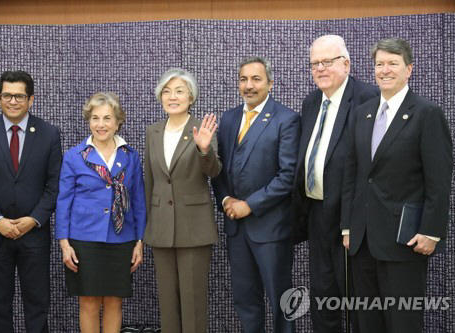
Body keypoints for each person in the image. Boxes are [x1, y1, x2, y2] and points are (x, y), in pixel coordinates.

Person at [341, 38, 452, 333]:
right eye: (379, 64)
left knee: (402, 321)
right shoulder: (362, 113)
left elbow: (439, 181)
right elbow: (354, 174)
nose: (384, 70)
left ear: (409, 69)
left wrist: (431, 232)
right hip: (362, 241)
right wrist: (348, 227)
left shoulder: (427, 115)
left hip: (405, 241)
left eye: (393, 63)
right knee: (366, 322)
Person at [292, 35, 378, 332]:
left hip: (351, 218)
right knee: (323, 293)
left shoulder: (369, 98)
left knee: (357, 297)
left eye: (327, 62)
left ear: (346, 63)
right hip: (317, 212)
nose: (320, 68)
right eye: (314, 63)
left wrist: (352, 221)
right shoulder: (312, 101)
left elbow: (372, 167)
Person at [0, 70, 62, 332]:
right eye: (6, 95)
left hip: (34, 234)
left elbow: (55, 185)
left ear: (31, 99)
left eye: (20, 96)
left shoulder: (49, 134)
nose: (13, 101)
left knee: (38, 304)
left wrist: (34, 219)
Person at [212, 56, 300, 332]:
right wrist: (226, 199)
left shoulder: (287, 119)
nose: (249, 85)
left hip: (271, 228)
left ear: (270, 83)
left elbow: (288, 176)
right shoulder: (228, 118)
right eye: (243, 79)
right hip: (236, 229)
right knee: (245, 299)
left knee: (281, 300)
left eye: (256, 79)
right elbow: (219, 168)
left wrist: (249, 205)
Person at [55, 92, 146, 333]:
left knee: (115, 303)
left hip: (122, 239)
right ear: (88, 121)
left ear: (118, 122)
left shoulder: (131, 156)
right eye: (95, 118)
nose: (101, 124)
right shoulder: (75, 156)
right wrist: (64, 243)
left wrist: (139, 241)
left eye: (107, 118)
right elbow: (63, 201)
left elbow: (138, 200)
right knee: (88, 302)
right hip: (84, 240)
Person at [143, 68, 221, 333]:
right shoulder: (152, 132)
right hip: (161, 229)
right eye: (166, 91)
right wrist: (147, 228)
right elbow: (150, 183)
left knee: (193, 302)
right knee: (167, 302)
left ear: (191, 97)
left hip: (193, 228)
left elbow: (214, 171)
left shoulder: (202, 130)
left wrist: (204, 149)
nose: (172, 97)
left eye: (179, 91)